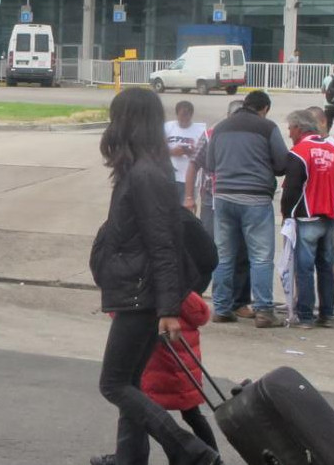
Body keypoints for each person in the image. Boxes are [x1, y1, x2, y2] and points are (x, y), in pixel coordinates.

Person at [91, 87, 221, 465]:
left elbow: (163, 245)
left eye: (117, 117)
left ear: (128, 122)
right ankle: (130, 458)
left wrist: (167, 309)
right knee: (130, 383)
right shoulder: (145, 169)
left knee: (113, 384)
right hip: (141, 293)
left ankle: (189, 451)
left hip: (140, 296)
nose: (111, 126)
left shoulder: (145, 175)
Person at [95, 293, 220, 465]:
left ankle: (194, 455)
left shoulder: (159, 288)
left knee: (137, 405)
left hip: (160, 365)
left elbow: (120, 313)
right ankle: (212, 454)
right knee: (191, 414)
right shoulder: (181, 292)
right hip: (184, 367)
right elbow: (201, 314)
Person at [206, 90, 287, 328]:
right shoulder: (267, 127)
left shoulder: (220, 128)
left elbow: (210, 164)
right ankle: (264, 312)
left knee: (224, 255)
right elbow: (282, 164)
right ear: (264, 109)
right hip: (255, 199)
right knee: (261, 257)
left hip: (223, 198)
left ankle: (221, 309)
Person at [184, 100, 252, 319]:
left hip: (242, 200)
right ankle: (193, 296)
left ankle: (238, 302)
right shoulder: (212, 134)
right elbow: (193, 164)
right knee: (210, 249)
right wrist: (188, 197)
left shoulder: (252, 135)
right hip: (211, 200)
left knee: (242, 250)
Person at [282, 110, 334, 329]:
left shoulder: (299, 152)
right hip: (330, 216)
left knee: (304, 267)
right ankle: (328, 313)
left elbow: (291, 188)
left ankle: (306, 316)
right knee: (326, 264)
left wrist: (287, 215)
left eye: (291, 128)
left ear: (299, 129)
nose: (289, 133)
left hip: (307, 216)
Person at [165, 101, 206, 204]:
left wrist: (194, 152)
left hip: (190, 179)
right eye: (181, 116)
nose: (183, 119)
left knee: (186, 212)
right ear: (177, 114)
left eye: (186, 116)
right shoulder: (167, 127)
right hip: (170, 177)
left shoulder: (200, 129)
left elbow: (205, 154)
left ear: (191, 115)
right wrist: (171, 152)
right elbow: (156, 150)